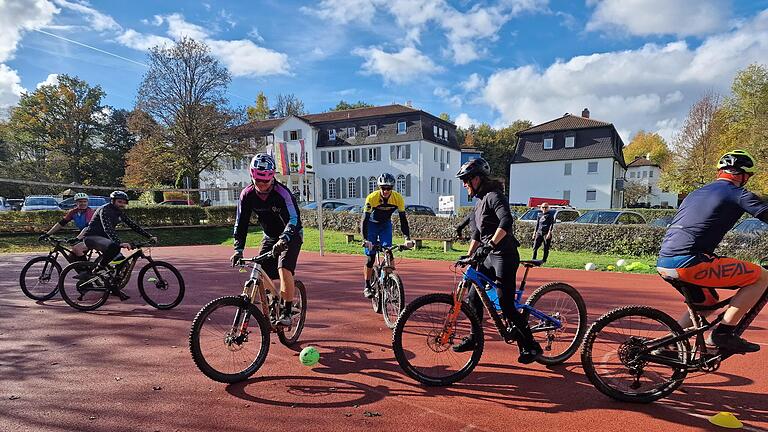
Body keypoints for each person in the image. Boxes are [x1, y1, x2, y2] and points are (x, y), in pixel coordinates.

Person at [656, 150, 768, 353]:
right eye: (748, 177)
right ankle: (723, 334)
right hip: (690, 262)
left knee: (707, 303)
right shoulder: (737, 193)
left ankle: (670, 342)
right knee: (762, 277)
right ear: (742, 175)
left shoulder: (696, 193)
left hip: (665, 261)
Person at [452, 157, 543, 364]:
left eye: (466, 180)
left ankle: (531, 345)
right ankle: (475, 338)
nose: (464, 184)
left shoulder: (494, 196)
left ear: (477, 179)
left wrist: (491, 245)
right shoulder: (477, 205)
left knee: (505, 303)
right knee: (473, 297)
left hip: (504, 254)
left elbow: (506, 221)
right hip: (486, 256)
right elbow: (476, 237)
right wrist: (469, 256)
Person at [231, 153, 303, 326]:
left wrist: (284, 238)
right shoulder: (247, 195)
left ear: (272, 177)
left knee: (284, 268)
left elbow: (294, 219)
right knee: (260, 271)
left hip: (291, 235)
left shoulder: (282, 193)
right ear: (252, 176)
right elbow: (240, 223)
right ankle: (272, 301)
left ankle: (286, 310)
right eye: (258, 181)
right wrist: (238, 249)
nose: (262, 185)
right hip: (270, 236)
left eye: (266, 181)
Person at [77, 191, 157, 300]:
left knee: (122, 263)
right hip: (92, 237)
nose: (121, 204)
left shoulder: (118, 212)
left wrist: (149, 236)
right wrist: (119, 243)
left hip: (105, 239)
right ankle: (98, 269)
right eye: (119, 202)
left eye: (124, 203)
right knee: (114, 247)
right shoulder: (105, 210)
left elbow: (132, 225)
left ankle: (113, 287)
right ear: (112, 201)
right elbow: (107, 228)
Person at [361, 173, 415, 298]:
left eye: (388, 188)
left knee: (388, 252)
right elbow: (364, 219)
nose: (385, 191)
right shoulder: (372, 198)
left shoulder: (398, 198)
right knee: (370, 257)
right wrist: (365, 239)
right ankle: (367, 285)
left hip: (385, 225)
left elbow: (403, 220)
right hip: (371, 225)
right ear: (379, 187)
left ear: (392, 188)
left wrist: (407, 238)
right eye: (383, 188)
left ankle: (391, 283)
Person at [40, 192, 94, 259]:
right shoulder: (73, 212)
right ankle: (82, 267)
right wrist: (47, 234)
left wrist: (77, 239)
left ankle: (86, 268)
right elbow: (61, 223)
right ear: (76, 203)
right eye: (80, 201)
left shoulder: (89, 212)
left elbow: (88, 228)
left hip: (93, 236)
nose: (83, 203)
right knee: (71, 257)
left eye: (85, 201)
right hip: (83, 237)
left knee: (77, 249)